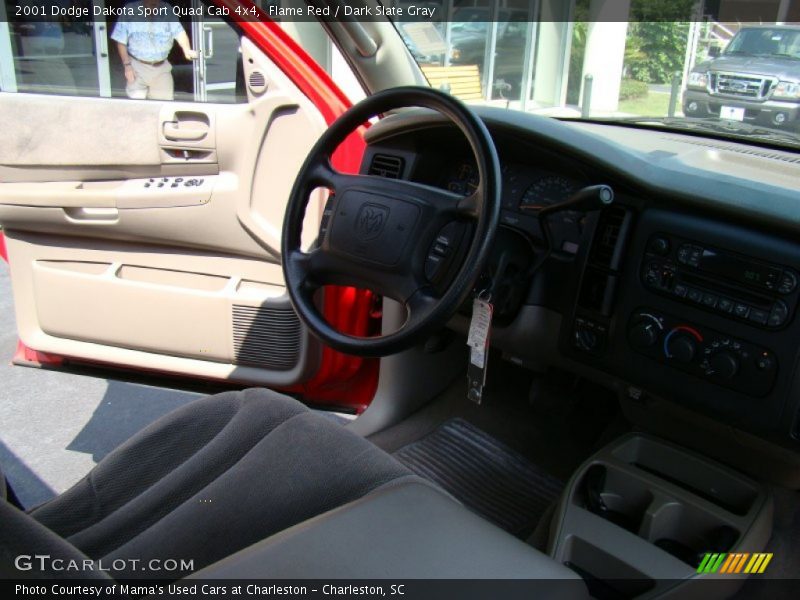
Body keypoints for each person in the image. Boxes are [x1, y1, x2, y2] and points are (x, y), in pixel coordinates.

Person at [111, 0, 198, 100]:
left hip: (161, 68)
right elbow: (120, 40)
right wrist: (127, 66)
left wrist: (187, 49)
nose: (154, 4)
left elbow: (179, 33)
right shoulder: (129, 10)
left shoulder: (167, 10)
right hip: (137, 67)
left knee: (164, 105)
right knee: (137, 106)